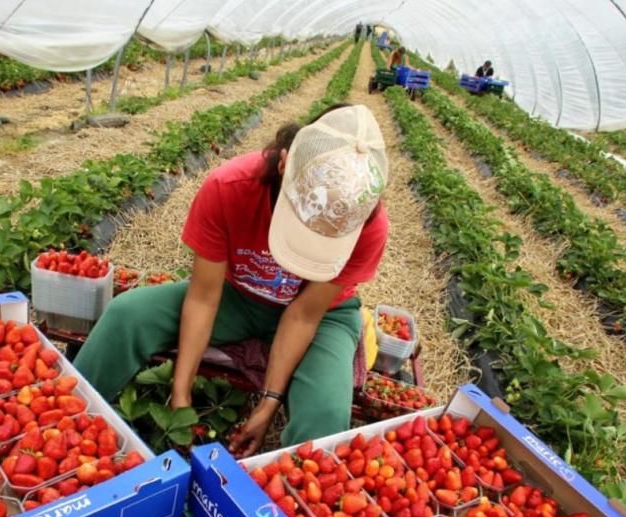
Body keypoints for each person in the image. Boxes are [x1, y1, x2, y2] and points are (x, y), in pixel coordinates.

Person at [73, 105, 390, 456]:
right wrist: (181, 394)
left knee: (325, 412)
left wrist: (269, 403)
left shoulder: (370, 225)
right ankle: (70, 421)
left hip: (322, 316)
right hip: (238, 296)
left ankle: (285, 502)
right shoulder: (230, 188)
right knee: (126, 315)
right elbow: (204, 297)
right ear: (284, 163)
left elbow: (303, 315)